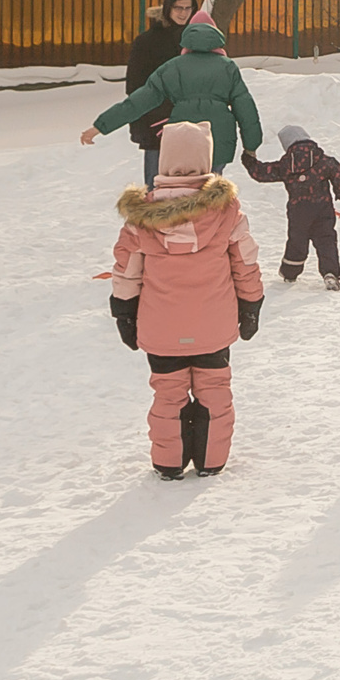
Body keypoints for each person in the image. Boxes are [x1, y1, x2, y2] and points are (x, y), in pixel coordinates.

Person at [108, 120, 263, 479]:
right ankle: (211, 460)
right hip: (213, 325)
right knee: (214, 390)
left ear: (164, 162)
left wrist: (124, 312)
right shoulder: (226, 212)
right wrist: (251, 304)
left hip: (161, 328)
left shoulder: (141, 218)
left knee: (168, 394)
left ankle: (169, 462)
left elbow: (127, 268)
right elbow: (245, 262)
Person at [83, 10, 263, 170]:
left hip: (181, 138)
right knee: (212, 195)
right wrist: (251, 146)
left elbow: (137, 102)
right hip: (218, 140)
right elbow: (245, 108)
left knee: (183, 192)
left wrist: (101, 126)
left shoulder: (172, 68)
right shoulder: (228, 67)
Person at [240, 124, 340, 288]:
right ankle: (330, 273)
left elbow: (262, 173)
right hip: (323, 208)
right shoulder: (324, 160)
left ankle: (290, 273)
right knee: (326, 239)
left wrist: (249, 161)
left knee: (297, 240)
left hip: (298, 211)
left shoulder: (286, 165)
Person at [123, 0, 197, 183]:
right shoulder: (147, 42)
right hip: (156, 125)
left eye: (188, 8)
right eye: (178, 8)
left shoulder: (197, 40)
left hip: (192, 126)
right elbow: (135, 87)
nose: (183, 13)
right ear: (167, 8)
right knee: (155, 189)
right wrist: (147, 119)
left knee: (189, 191)